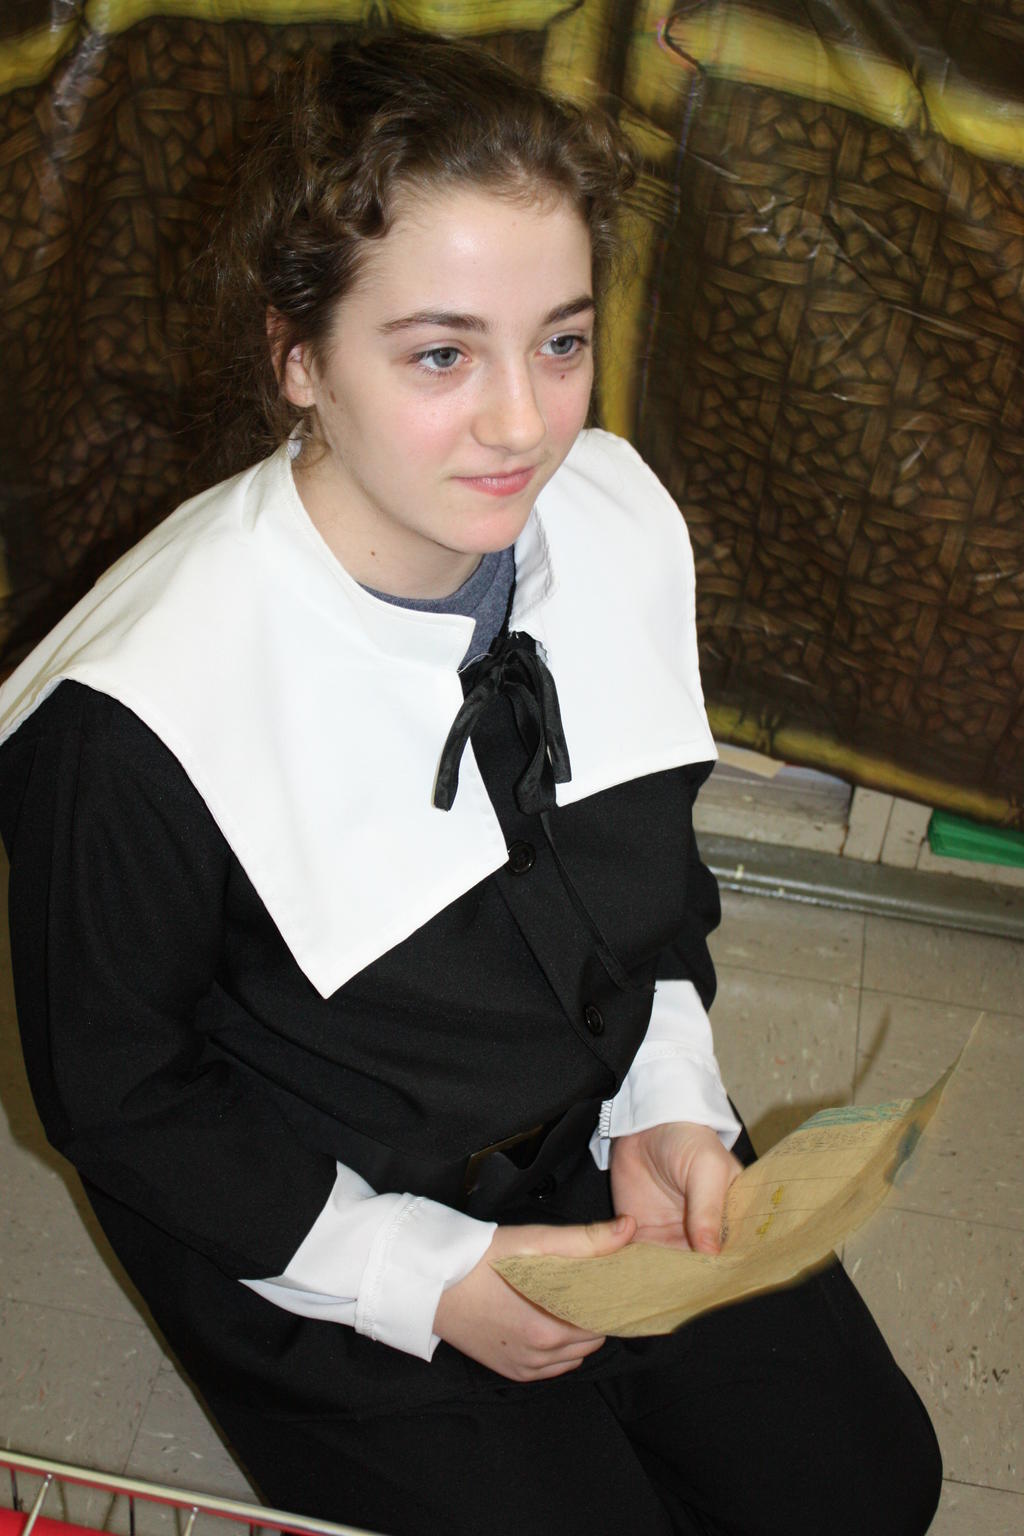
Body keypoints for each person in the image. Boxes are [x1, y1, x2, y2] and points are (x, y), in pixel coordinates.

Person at [0, 32, 941, 1536]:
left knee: (868, 1491)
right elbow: (121, 1098)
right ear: (299, 358)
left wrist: (666, 1105)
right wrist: (424, 1279)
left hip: (595, 1131)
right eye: (441, 354)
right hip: (330, 1225)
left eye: (560, 341)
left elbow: (647, 894)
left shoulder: (617, 521)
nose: (523, 423)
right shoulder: (133, 721)